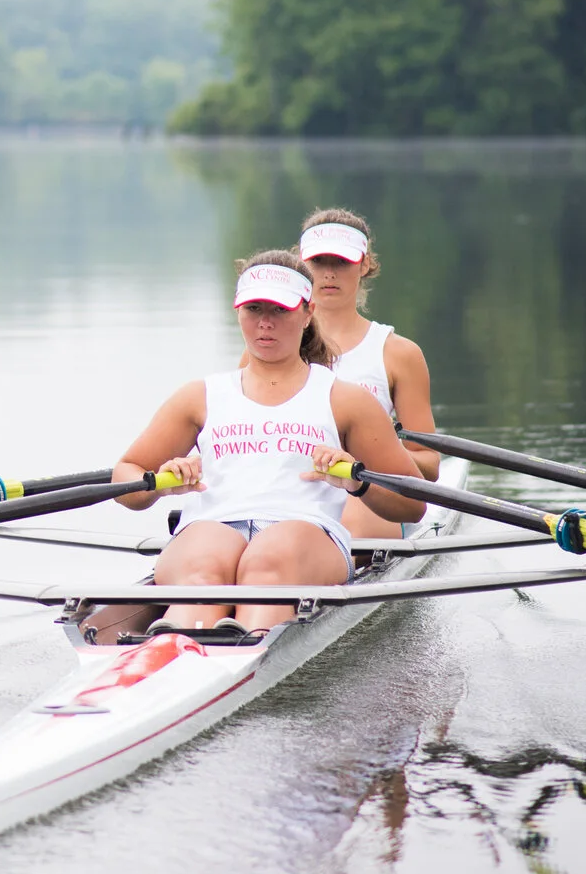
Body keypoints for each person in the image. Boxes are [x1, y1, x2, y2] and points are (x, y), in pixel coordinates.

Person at [106, 250, 429, 640]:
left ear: (308, 312)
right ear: (237, 310)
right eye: (254, 308)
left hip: (306, 534)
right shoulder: (199, 396)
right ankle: (176, 655)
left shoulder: (345, 400)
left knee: (267, 562)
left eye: (279, 309)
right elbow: (124, 478)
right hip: (211, 528)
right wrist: (159, 483)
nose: (265, 323)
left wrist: (356, 483)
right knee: (204, 566)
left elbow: (412, 503)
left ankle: (236, 647)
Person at [296, 208, 440, 546]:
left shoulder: (398, 354)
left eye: (342, 262)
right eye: (319, 262)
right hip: (296, 492)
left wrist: (364, 455)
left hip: (367, 496)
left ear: (363, 265)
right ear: (301, 267)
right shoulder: (268, 348)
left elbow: (430, 467)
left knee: (349, 521)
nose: (329, 274)